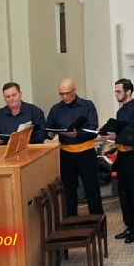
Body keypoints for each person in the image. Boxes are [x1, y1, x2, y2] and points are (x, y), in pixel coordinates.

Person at [46, 78, 102, 216]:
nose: (64, 97)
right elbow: (48, 129)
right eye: (61, 94)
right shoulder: (55, 109)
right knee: (69, 191)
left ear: (74, 90)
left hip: (86, 152)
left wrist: (77, 134)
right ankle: (71, 221)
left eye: (67, 93)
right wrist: (50, 133)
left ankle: (97, 222)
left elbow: (93, 129)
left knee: (92, 189)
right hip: (66, 154)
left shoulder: (87, 106)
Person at [104, 78, 134, 243]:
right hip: (122, 155)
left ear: (128, 92)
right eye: (115, 91)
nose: (116, 94)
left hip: (133, 156)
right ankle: (129, 225)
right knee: (124, 193)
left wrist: (117, 136)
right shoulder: (121, 111)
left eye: (119, 91)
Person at [0, 82, 47, 147]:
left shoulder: (35, 111)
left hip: (30, 150)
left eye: (14, 95)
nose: (11, 98)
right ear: (4, 98)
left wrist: (28, 138)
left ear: (20, 94)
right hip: (7, 152)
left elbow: (43, 133)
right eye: (8, 96)